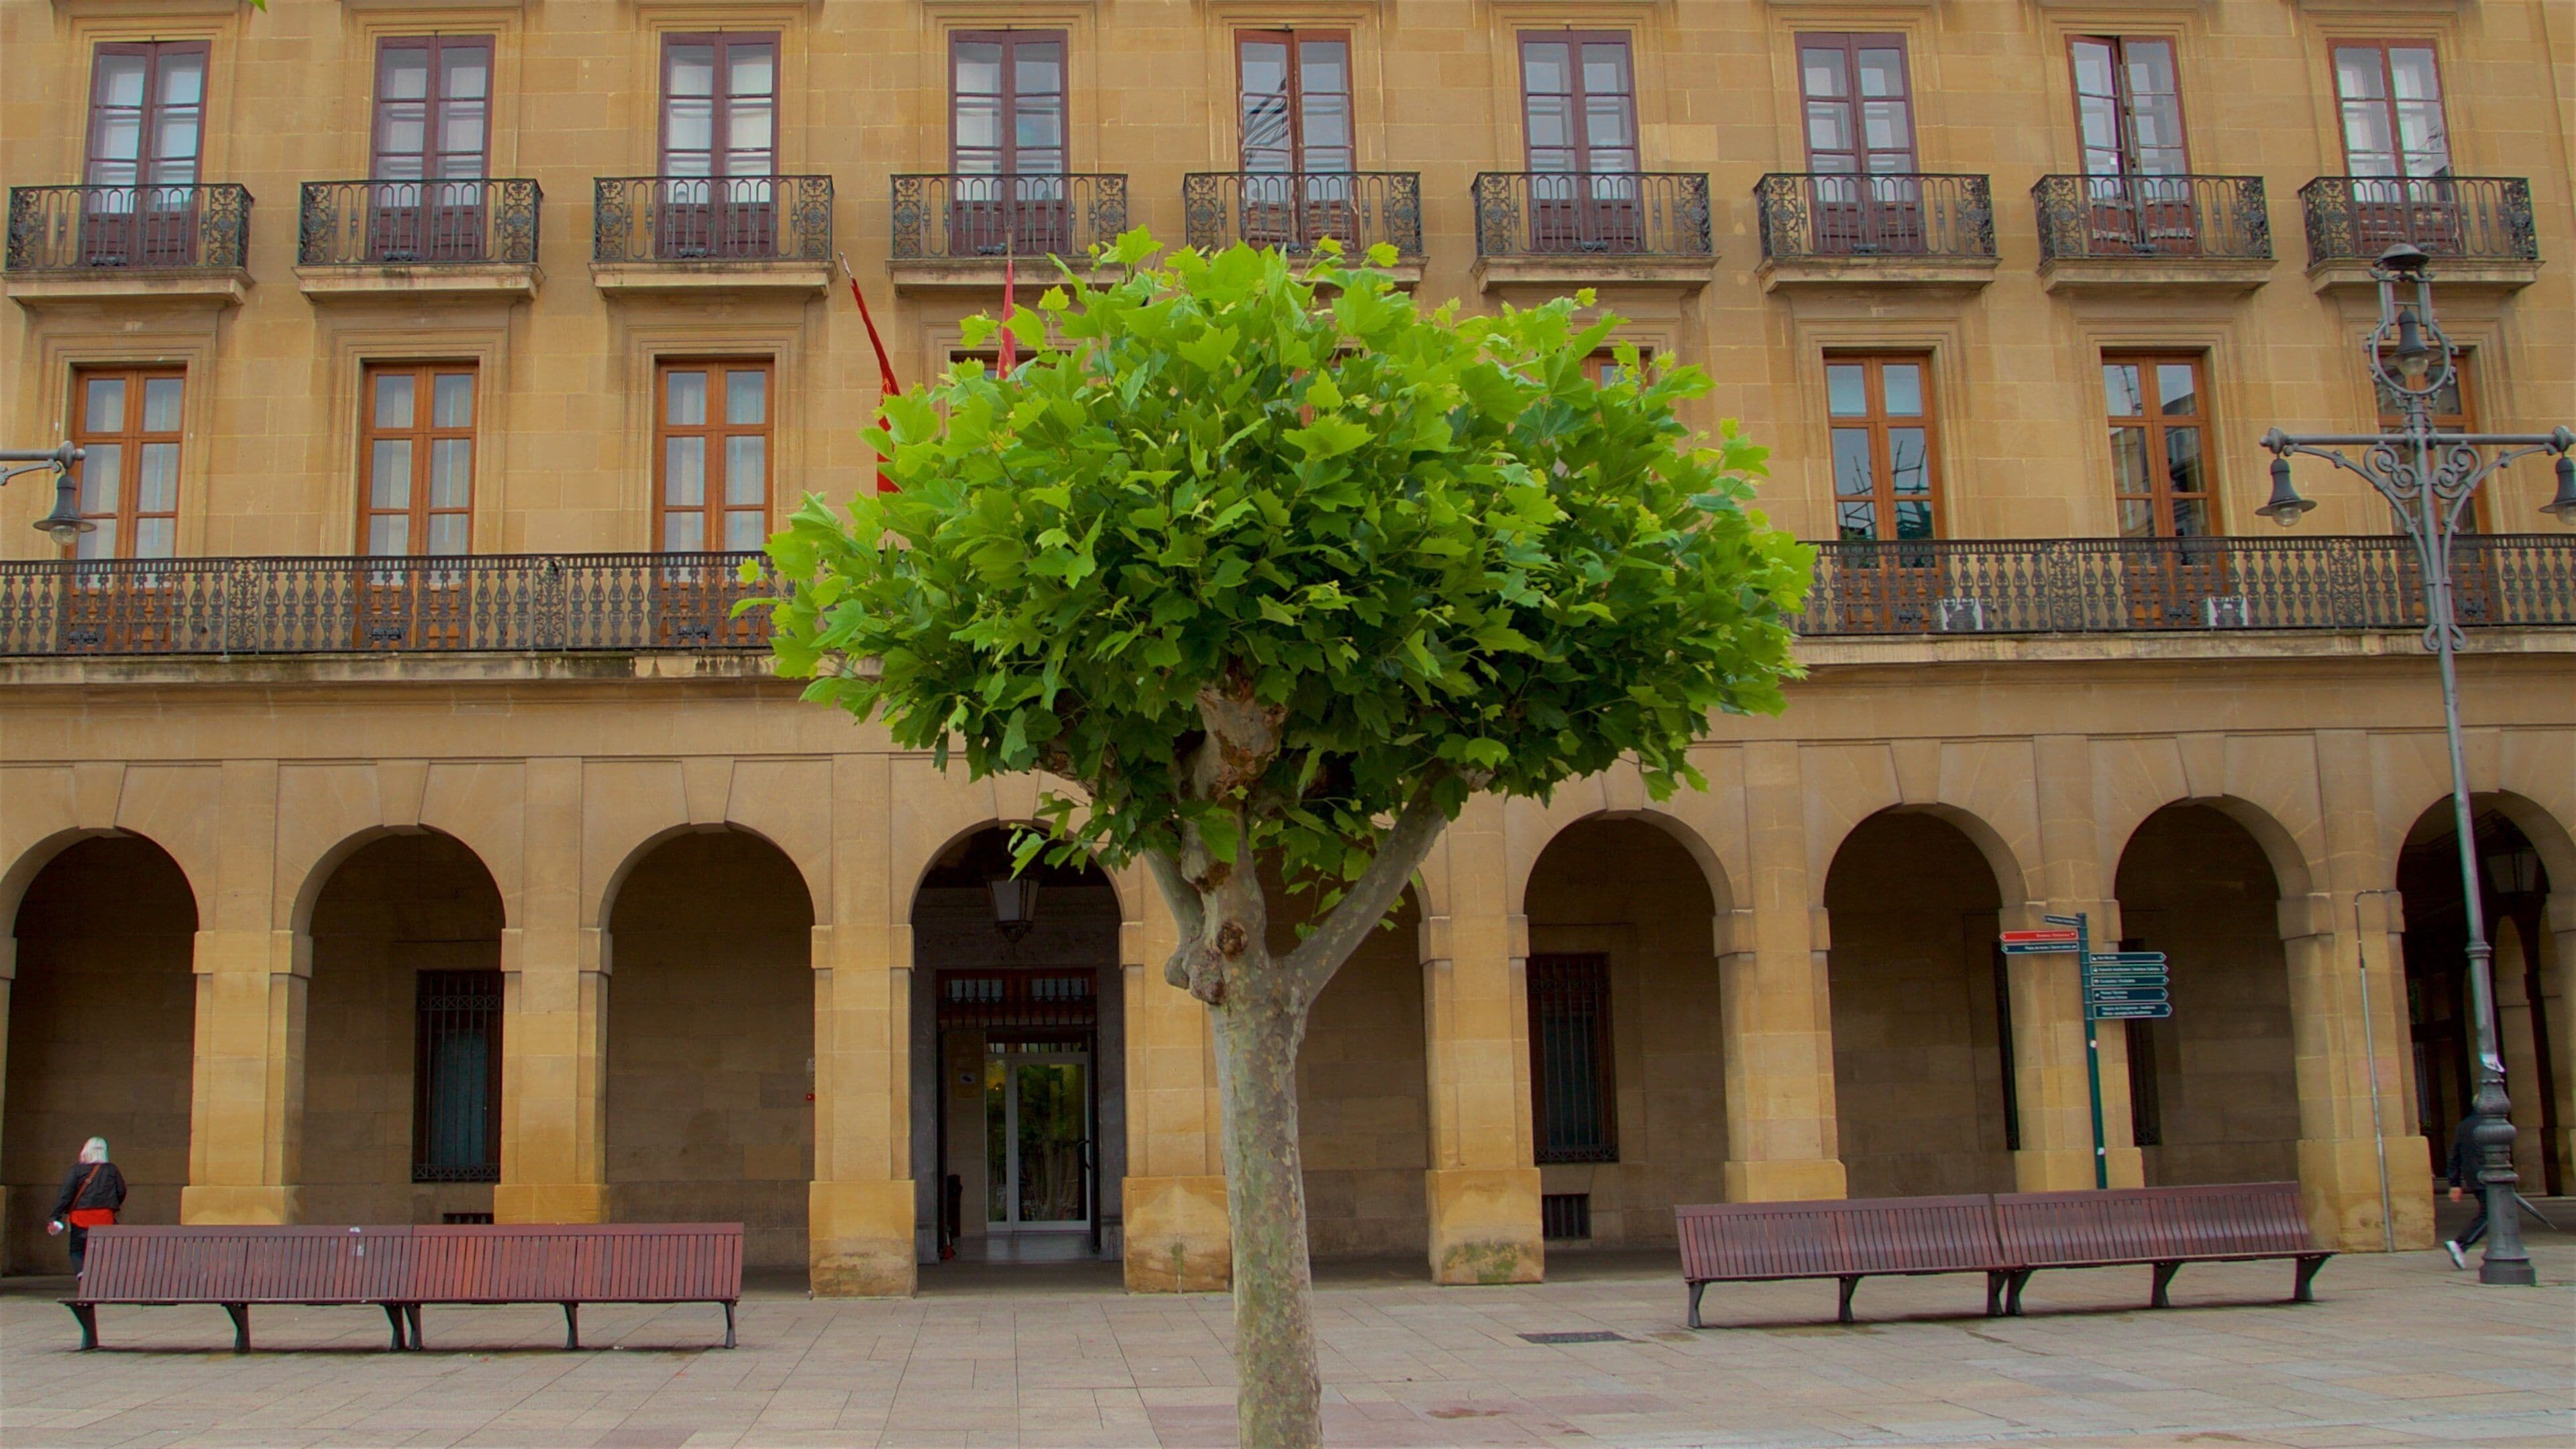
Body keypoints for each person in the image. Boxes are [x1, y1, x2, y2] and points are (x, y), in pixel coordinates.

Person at [46, 1136, 126, 1279]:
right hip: (104, 1216)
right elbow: (121, 1191)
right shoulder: (112, 1170)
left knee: (77, 1250)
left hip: (80, 1217)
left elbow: (66, 1194)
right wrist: (112, 1205)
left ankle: (82, 1273)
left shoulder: (77, 1170)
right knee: (102, 1249)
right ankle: (100, 1276)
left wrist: (55, 1216)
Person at [2443, 1111, 2490, 1270]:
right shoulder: (2491, 1123)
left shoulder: (2464, 1124)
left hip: (2474, 1176)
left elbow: (2455, 1154)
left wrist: (2454, 1183)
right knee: (2493, 1214)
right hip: (2489, 1174)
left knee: (2492, 1213)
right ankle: (2461, 1244)